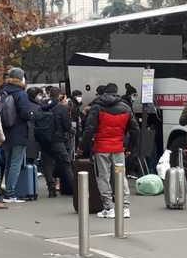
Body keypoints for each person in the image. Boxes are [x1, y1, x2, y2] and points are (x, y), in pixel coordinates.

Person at [83, 83, 139, 219]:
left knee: (103, 177)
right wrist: (130, 147)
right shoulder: (125, 107)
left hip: (101, 149)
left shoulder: (97, 107)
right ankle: (125, 207)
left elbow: (89, 129)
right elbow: (135, 129)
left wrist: (84, 147)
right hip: (118, 149)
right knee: (120, 175)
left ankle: (109, 207)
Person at [0, 67, 36, 203]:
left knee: (9, 162)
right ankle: (10, 193)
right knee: (16, 162)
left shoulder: (3, 91)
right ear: (20, 78)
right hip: (19, 132)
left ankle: (7, 191)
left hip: (6, 132)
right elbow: (25, 112)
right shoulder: (21, 93)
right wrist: (32, 114)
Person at [39, 87, 74, 198]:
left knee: (47, 164)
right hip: (57, 140)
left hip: (44, 140)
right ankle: (75, 189)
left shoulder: (42, 107)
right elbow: (67, 126)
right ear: (59, 96)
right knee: (66, 163)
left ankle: (51, 189)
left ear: (49, 94)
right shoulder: (61, 108)